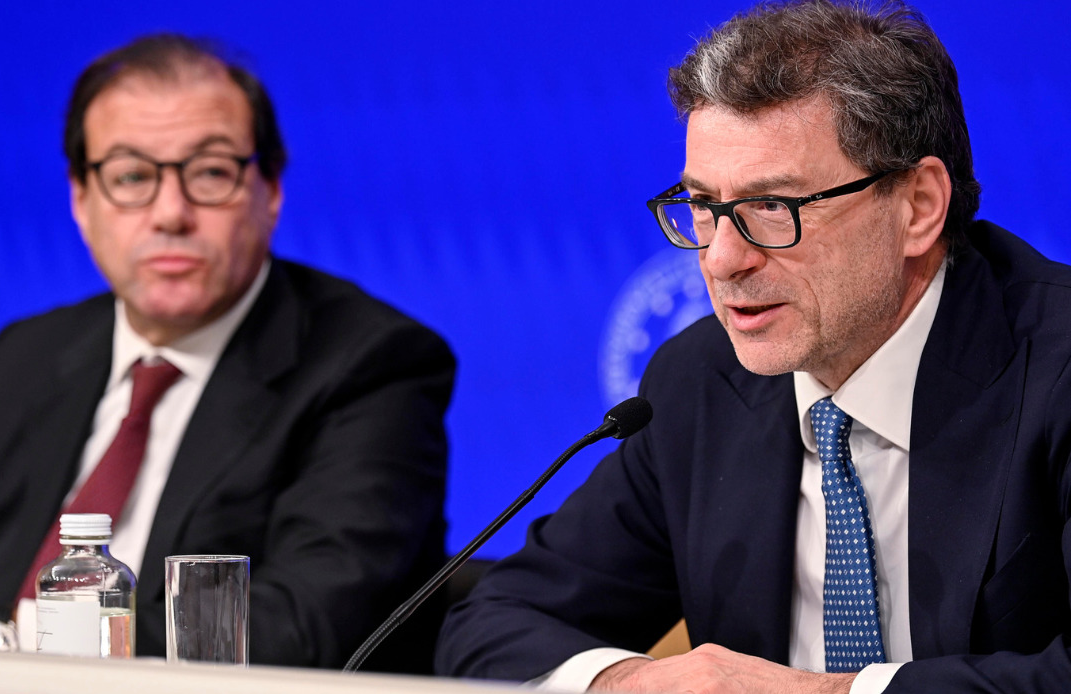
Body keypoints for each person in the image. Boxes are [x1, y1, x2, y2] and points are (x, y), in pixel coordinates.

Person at [435, 1, 1070, 692]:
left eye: (772, 206)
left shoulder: (1056, 367)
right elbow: (495, 622)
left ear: (917, 206)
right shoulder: (699, 382)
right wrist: (634, 684)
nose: (721, 259)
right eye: (703, 206)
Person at [0, 34, 454, 672]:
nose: (171, 213)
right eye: (132, 176)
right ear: (81, 200)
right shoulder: (30, 355)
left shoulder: (371, 363)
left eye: (211, 173)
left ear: (272, 190)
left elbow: (302, 626)